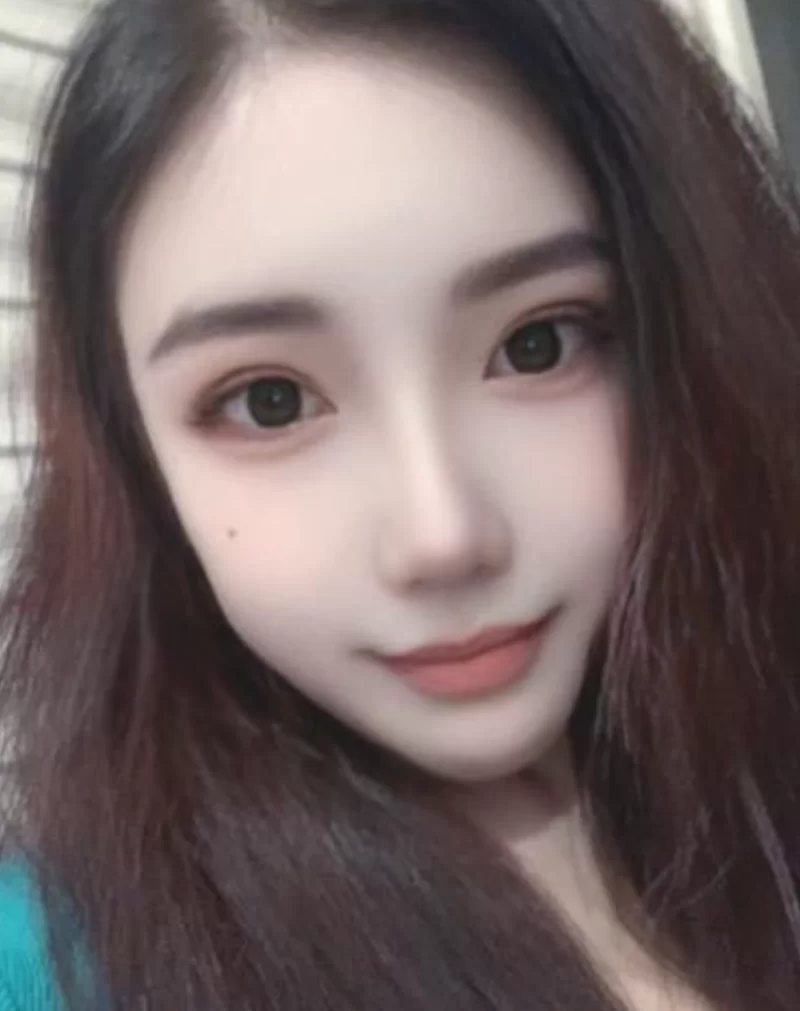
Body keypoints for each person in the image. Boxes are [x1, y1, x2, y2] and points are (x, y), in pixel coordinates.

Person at [0, 0, 798, 1007]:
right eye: (270, 400)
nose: (443, 535)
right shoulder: (61, 960)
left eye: (539, 344)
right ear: (135, 459)